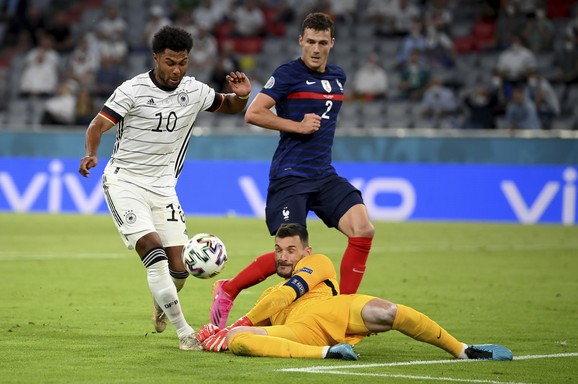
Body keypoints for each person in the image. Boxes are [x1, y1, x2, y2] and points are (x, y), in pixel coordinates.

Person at [77, 25, 252, 350]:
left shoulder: (195, 90)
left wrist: (241, 96)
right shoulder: (132, 90)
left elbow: (227, 106)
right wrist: (91, 154)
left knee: (179, 268)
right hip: (125, 182)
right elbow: (97, 124)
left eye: (183, 62)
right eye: (170, 62)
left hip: (164, 188)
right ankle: (186, 334)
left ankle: (162, 302)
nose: (176, 69)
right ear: (156, 58)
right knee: (154, 254)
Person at [209, 12, 375, 329]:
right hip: (290, 175)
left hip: (323, 174)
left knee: (363, 229)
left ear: (332, 44)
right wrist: (297, 126)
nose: (315, 48)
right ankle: (228, 289)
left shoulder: (339, 76)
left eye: (322, 43)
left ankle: (344, 311)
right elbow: (254, 113)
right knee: (291, 255)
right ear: (301, 41)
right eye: (310, 41)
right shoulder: (288, 73)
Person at [195, 223, 513, 362]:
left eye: (291, 250)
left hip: (338, 311)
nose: (283, 256)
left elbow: (285, 297)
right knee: (239, 343)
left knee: (387, 311)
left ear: (306, 251)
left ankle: (462, 350)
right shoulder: (270, 292)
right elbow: (265, 326)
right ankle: (327, 354)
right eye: (278, 250)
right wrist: (223, 335)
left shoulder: (317, 263)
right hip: (299, 333)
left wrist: (236, 325)